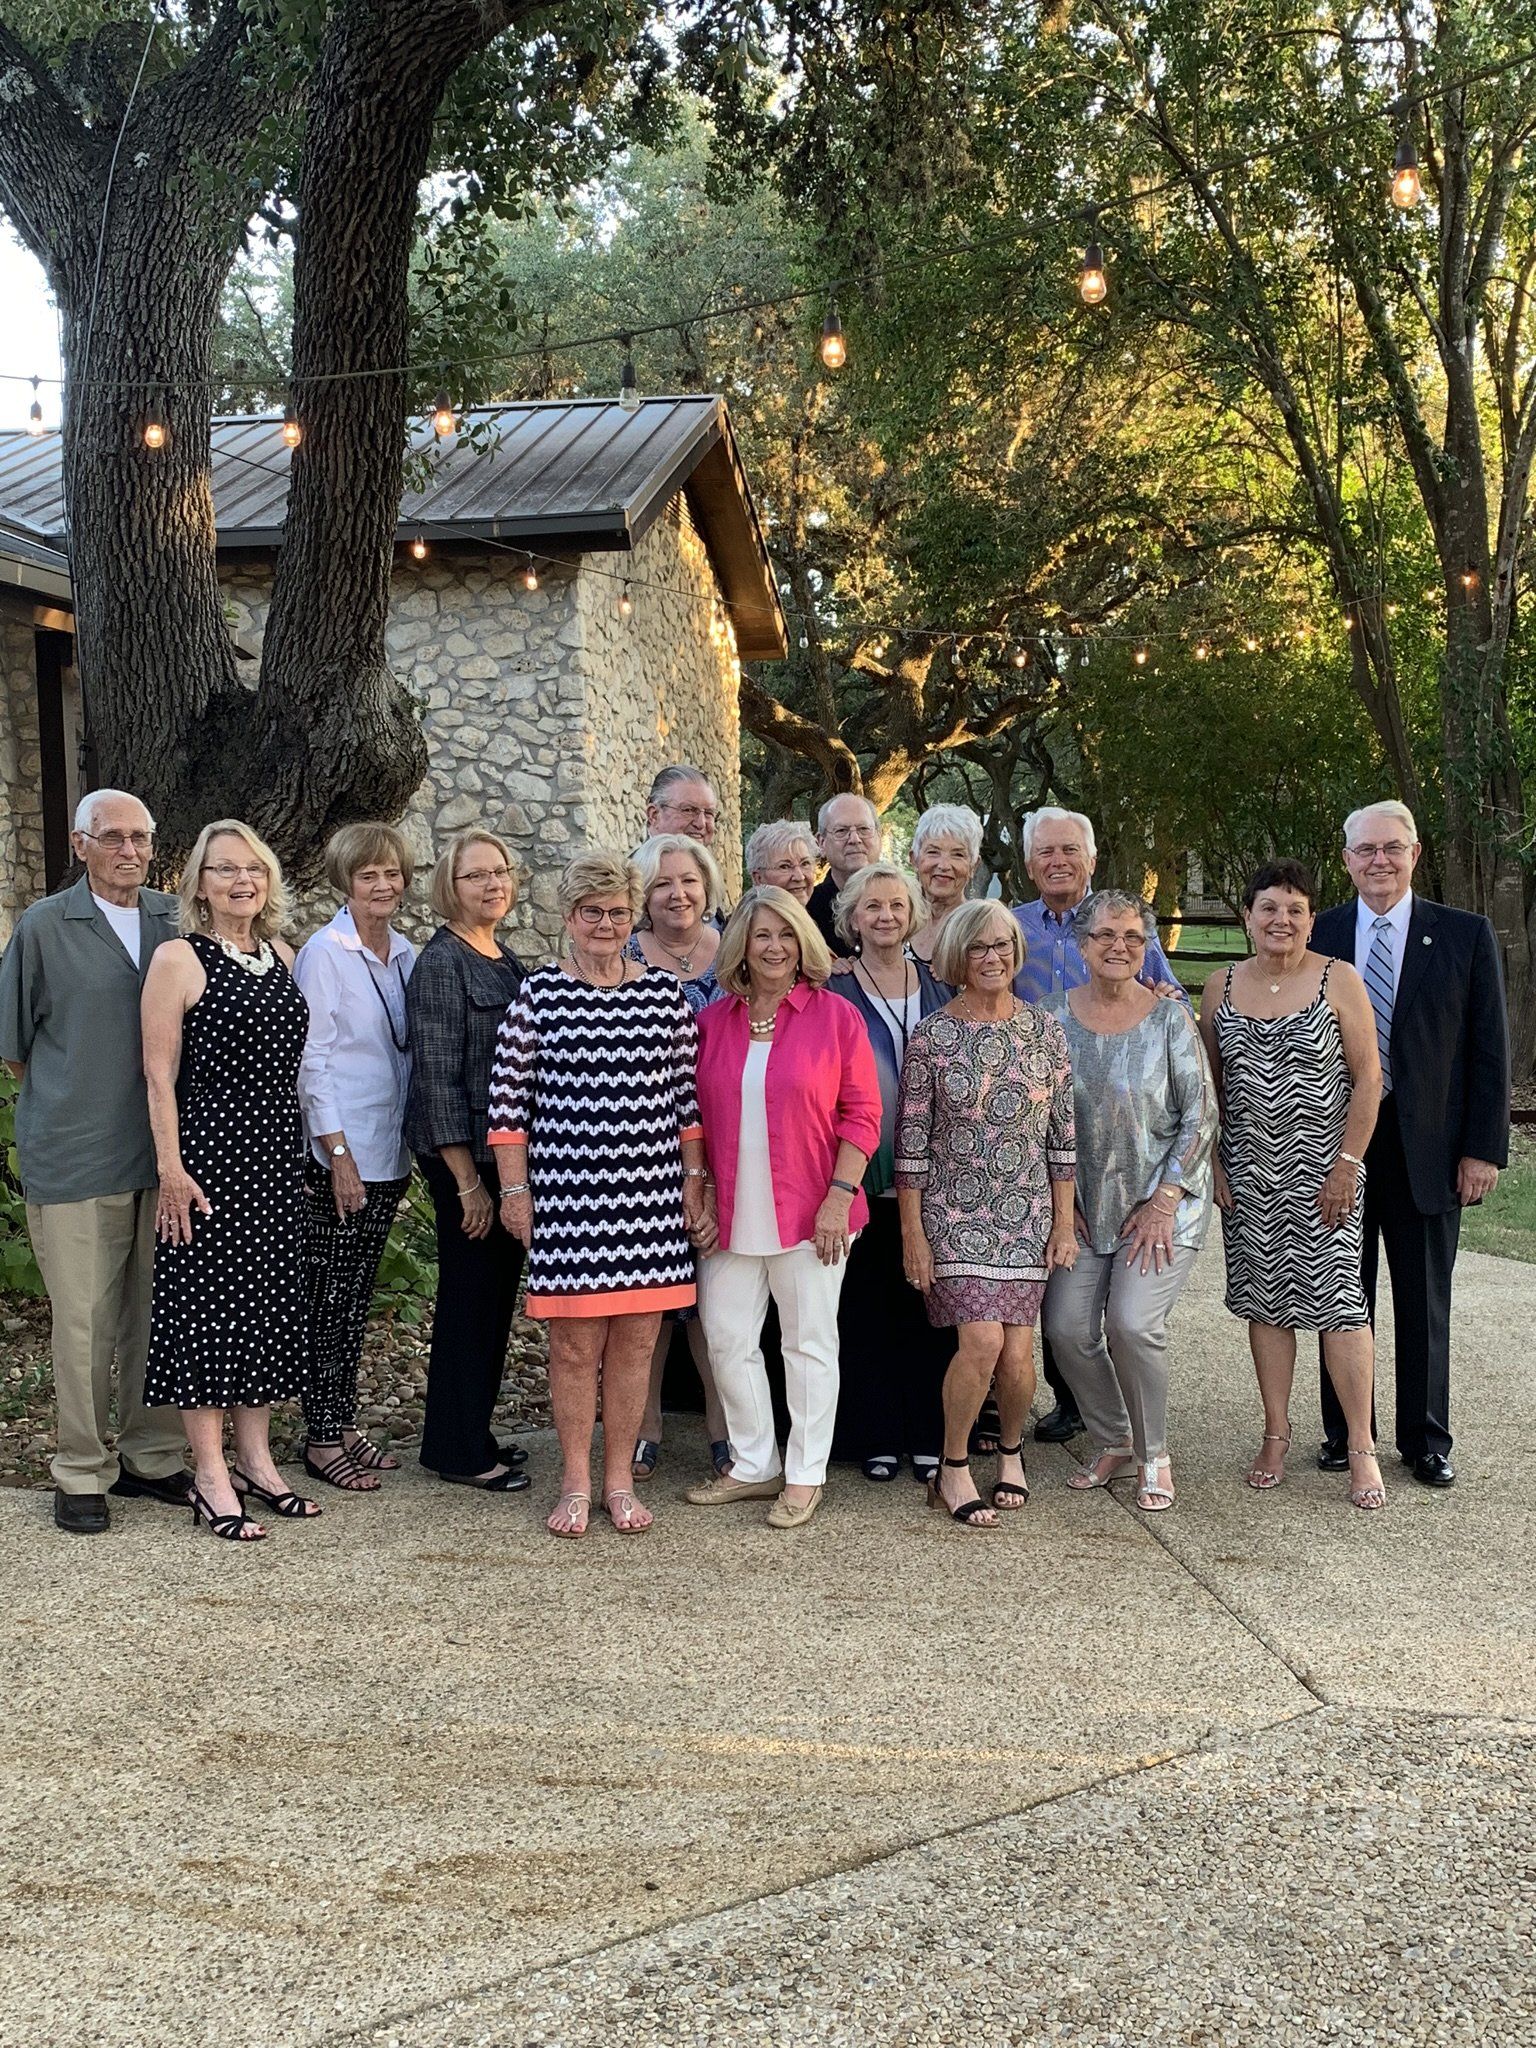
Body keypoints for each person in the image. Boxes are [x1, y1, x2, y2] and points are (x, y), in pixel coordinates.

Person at [490, 851, 710, 1539]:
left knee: (637, 1350)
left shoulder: (661, 997)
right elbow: (507, 1105)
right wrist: (514, 1191)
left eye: (618, 912)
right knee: (574, 1352)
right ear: (569, 919)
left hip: (649, 1206)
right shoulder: (540, 995)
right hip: (568, 1203)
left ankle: (619, 1480)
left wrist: (692, 1187)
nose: (607, 924)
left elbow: (687, 1104)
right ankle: (576, 1482)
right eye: (594, 913)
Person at [0, 789, 189, 1534]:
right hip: (77, 1158)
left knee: (160, 1313)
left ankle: (155, 1456)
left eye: (141, 837)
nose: (130, 851)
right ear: (80, 846)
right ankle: (80, 1470)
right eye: (113, 837)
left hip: (171, 1160)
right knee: (82, 1322)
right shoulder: (45, 928)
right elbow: (15, 1050)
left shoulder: (176, 919)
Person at [1310, 802, 1510, 1487]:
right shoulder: (1322, 932)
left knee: (1423, 1302)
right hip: (1339, 1149)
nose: (1379, 861)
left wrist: (1482, 1150)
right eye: (1365, 850)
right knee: (1341, 1294)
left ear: (1415, 854)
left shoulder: (1463, 934)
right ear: (1346, 860)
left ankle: (1425, 1440)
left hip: (1431, 1150)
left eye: (1392, 848)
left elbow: (1490, 1051)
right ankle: (1344, 1432)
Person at [141, 819, 317, 1541]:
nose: (242, 879)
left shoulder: (281, 953)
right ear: (199, 886)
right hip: (208, 1158)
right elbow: (157, 1076)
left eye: (253, 867)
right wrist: (171, 1171)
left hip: (275, 1158)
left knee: (267, 1307)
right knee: (209, 1311)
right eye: (223, 869)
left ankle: (257, 1461)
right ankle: (210, 1475)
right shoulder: (179, 958)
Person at [687, 886, 881, 1528]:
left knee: (808, 1344)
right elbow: (692, 1120)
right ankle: (753, 1463)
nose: (774, 947)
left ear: (804, 943)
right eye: (761, 935)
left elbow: (864, 1115)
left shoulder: (835, 1017)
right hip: (733, 1213)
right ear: (741, 944)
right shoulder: (711, 1023)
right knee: (727, 1338)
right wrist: (704, 1192)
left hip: (813, 1213)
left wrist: (839, 1198)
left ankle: (803, 1474)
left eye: (786, 934)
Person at [1198, 859, 1387, 1512]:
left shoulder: (1340, 979)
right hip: (1250, 1175)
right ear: (1247, 917)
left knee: (1340, 1307)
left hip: (1325, 1175)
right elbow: (1210, 1088)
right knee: (1266, 1303)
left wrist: (1348, 1165)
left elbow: (1368, 1079)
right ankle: (1275, 1435)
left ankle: (1360, 1447)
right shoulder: (1219, 984)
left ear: (1312, 919)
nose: (1282, 920)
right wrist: (1215, 1164)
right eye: (1269, 908)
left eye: (1295, 909)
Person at [896, 900, 1078, 1529]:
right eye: (978, 948)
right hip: (953, 1211)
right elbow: (912, 1144)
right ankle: (952, 1466)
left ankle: (1009, 1452)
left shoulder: (1045, 1031)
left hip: (1025, 1215)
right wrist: (912, 1234)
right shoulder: (933, 1037)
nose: (993, 958)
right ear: (958, 958)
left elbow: (1062, 1137)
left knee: (1019, 1357)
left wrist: (1061, 1221)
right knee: (982, 1339)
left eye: (1002, 945)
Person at [1010, 806, 1185, 1444]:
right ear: (1030, 865)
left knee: (1110, 1306)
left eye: (1069, 851)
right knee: (1060, 1286)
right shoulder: (1014, 928)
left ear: (1088, 859)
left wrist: (1165, 1000)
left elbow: (1169, 996)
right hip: (1044, 1115)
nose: (1058, 862)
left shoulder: (1125, 927)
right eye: (1046, 853)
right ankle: (1075, 1398)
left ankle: (1103, 1418)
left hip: (1127, 1126)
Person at [1043, 892, 1215, 1513]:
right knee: (1064, 1328)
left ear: (1147, 948)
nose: (1120, 946)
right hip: (1081, 1209)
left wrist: (1165, 1200)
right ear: (1082, 945)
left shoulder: (1172, 1019)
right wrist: (1061, 1206)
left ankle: (1155, 1455)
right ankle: (1114, 1436)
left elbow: (1201, 1116)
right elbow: (1040, 1121)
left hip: (1162, 1205)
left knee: (1133, 1324)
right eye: (1106, 936)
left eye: (1134, 937)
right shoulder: (1048, 1020)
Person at [404, 829, 531, 1494]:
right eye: (475, 876)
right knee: (467, 1304)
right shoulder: (442, 963)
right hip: (467, 1166)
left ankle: (470, 1431)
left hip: (503, 1166)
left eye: (499, 873)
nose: (491, 885)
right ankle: (455, 1450)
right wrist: (468, 1186)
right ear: (448, 888)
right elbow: (436, 1079)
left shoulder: (505, 958)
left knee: (491, 1304)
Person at [292, 822, 418, 1491]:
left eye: (391, 874)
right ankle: (319, 1437)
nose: (383, 885)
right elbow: (312, 1060)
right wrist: (336, 1153)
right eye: (368, 875)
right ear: (346, 882)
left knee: (356, 1295)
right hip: (343, 1154)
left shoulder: (403, 954)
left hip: (388, 1151)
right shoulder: (326, 953)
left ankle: (341, 1422)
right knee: (328, 1299)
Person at [826, 862, 952, 1482]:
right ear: (852, 918)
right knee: (865, 1306)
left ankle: (927, 1432)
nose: (885, 916)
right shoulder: (834, 988)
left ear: (913, 914)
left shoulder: (938, 985)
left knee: (928, 1308)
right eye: (871, 906)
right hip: (861, 1168)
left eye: (897, 905)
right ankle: (875, 1434)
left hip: (933, 1173)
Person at [623, 832, 732, 1482]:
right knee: (651, 1299)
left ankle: (725, 1424)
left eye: (688, 880)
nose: (677, 893)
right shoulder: (626, 958)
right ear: (643, 895)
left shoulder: (735, 952)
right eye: (662, 883)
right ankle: (645, 1423)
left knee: (717, 1294)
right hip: (646, 1153)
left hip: (728, 1144)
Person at [907, 804, 983, 967]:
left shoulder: (980, 927)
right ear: (914, 859)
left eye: (958, 854)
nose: (944, 865)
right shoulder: (896, 920)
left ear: (973, 866)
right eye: (933, 852)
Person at [808, 793, 882, 954]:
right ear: (821, 842)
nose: (854, 839)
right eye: (841, 831)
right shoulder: (807, 913)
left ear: (879, 836)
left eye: (864, 829)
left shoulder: (908, 905)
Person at [745, 819, 818, 906]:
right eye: (784, 866)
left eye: (805, 863)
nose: (799, 877)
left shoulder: (822, 915)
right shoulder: (750, 919)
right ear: (758, 878)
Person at [646, 763, 720, 848]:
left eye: (708, 813)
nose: (701, 824)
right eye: (688, 810)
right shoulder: (637, 861)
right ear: (654, 815)